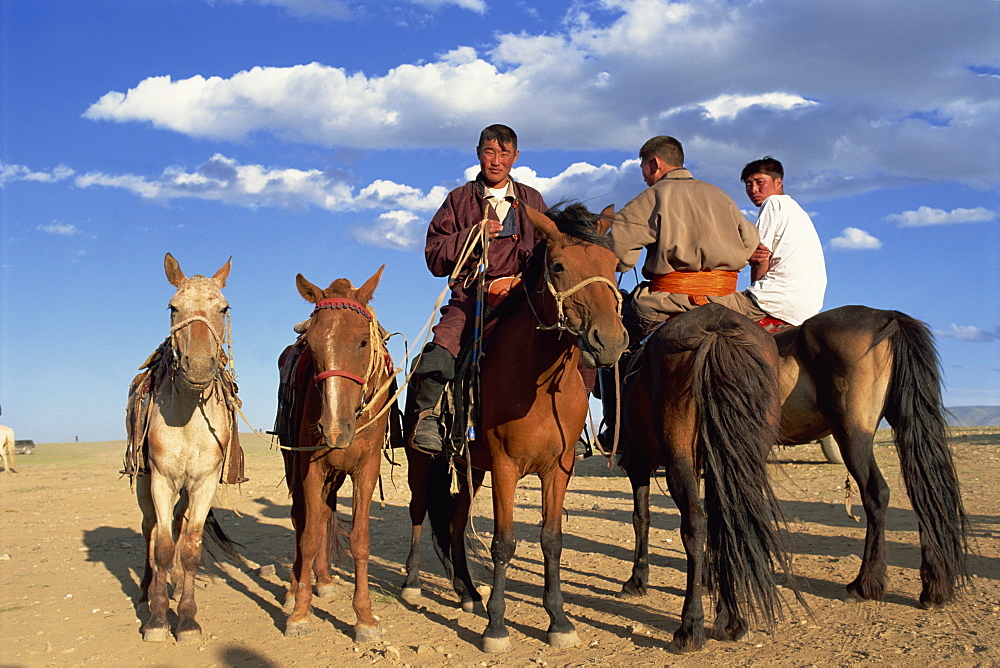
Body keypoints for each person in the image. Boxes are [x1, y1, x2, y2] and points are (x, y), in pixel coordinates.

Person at [589, 136, 759, 455]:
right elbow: (750, 243)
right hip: (727, 302)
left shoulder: (653, 196)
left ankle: (617, 426)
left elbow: (621, 255)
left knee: (616, 341)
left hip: (668, 300)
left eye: (643, 168)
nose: (643, 175)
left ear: (655, 164)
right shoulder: (720, 195)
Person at [406, 124, 547, 455]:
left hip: (521, 296)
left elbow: (548, 248)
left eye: (504, 154)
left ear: (515, 157)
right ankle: (430, 416)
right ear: (478, 152)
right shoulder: (457, 200)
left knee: (567, 338)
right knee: (444, 342)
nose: (496, 161)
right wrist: (472, 236)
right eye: (489, 152)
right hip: (471, 295)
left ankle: (572, 421)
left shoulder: (533, 200)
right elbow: (434, 256)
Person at [738, 156, 826, 331]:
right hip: (806, 307)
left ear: (778, 182)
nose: (753, 189)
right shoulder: (797, 211)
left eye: (759, 182)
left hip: (776, 301)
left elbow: (761, 256)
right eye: (748, 185)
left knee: (709, 311)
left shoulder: (773, 203)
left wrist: (754, 294)